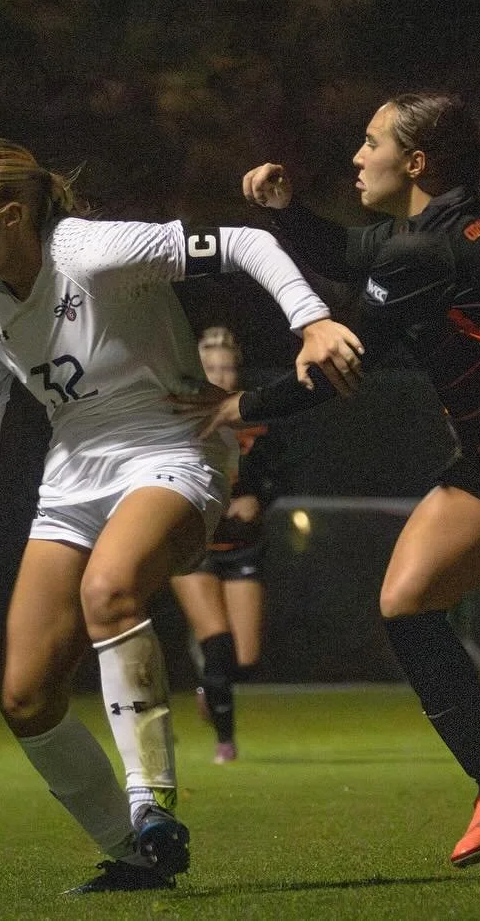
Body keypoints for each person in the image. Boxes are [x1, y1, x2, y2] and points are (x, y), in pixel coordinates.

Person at [187, 91, 480, 878]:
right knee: (406, 601)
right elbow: (349, 251)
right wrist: (285, 212)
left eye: (370, 142)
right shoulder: (430, 233)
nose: (356, 156)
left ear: (414, 163)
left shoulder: (428, 252)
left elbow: (340, 365)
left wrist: (232, 407)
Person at [0, 136, 363, 893]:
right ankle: (135, 854)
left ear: (10, 217)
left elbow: (245, 241)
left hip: (176, 448)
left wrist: (312, 320)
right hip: (73, 480)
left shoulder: (90, 251)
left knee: (109, 589)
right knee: (26, 699)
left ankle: (152, 805)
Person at [170, 326, 281, 764]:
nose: (219, 375)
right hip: (194, 549)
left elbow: (279, 474)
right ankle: (225, 743)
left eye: (227, 367)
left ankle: (209, 685)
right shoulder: (180, 417)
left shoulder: (256, 418)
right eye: (211, 367)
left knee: (245, 659)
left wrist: (259, 500)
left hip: (243, 548)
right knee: (216, 645)